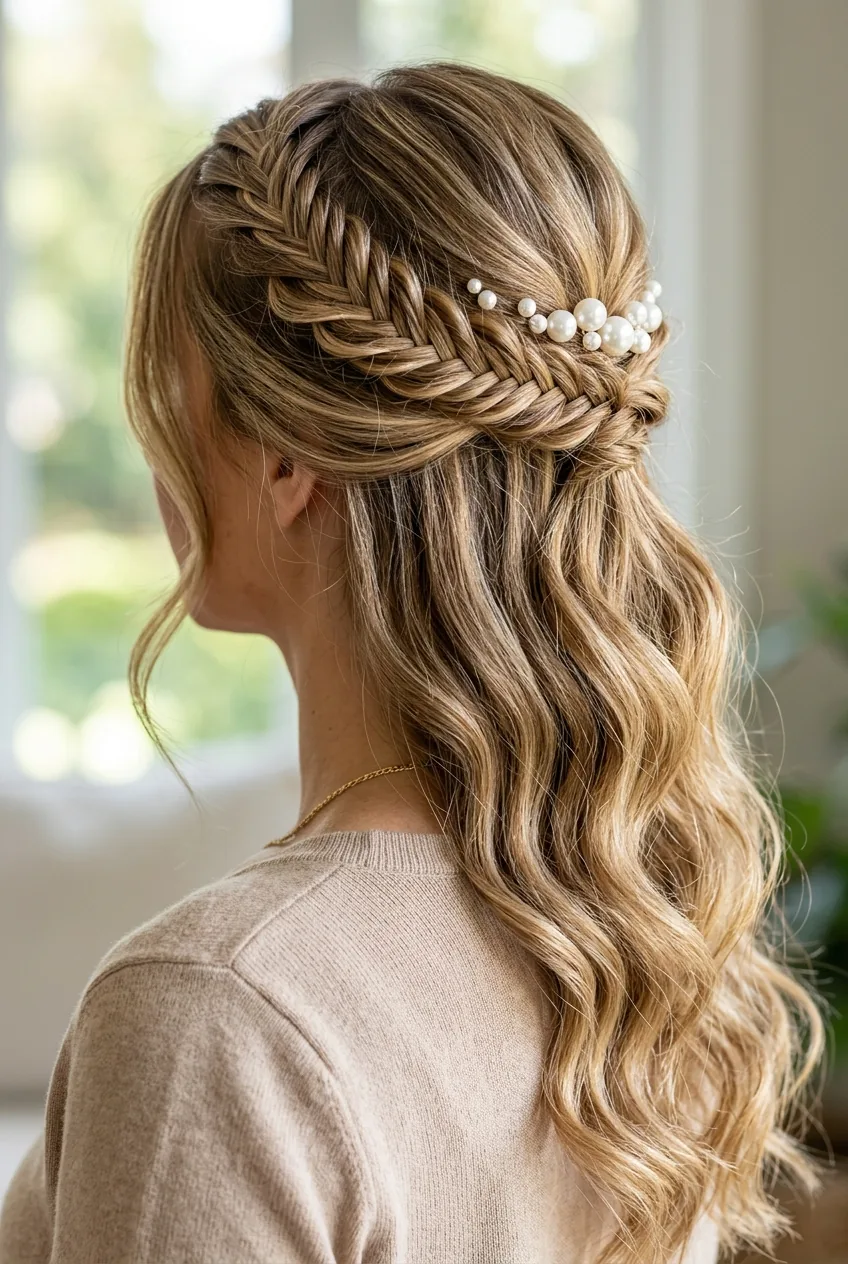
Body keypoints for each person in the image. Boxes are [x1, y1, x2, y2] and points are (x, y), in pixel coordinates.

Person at [0, 61, 827, 1264]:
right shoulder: (628, 940)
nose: (147, 430)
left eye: (166, 374)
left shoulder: (219, 1010)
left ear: (285, 456)